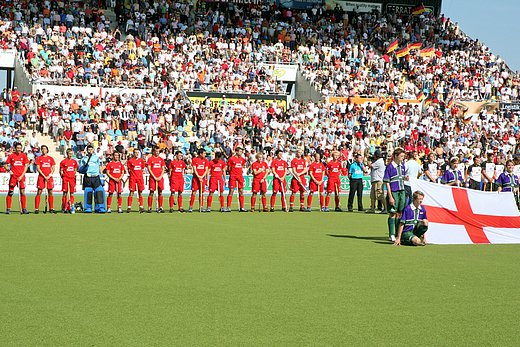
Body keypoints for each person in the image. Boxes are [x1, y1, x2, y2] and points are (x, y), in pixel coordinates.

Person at [384, 148, 407, 242]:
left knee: (400, 213)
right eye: (401, 156)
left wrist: (405, 178)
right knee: (392, 213)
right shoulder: (389, 167)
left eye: (403, 156)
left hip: (402, 191)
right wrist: (390, 196)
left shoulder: (402, 166)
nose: (402, 158)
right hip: (394, 192)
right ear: (396, 156)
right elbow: (387, 182)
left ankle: (398, 234)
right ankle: (391, 234)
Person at [79, 144, 106, 213]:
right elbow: (80, 170)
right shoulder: (84, 159)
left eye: (91, 149)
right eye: (89, 150)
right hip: (88, 177)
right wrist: (84, 167)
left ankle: (100, 208)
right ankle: (88, 208)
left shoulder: (96, 158)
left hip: (96, 176)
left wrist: (101, 174)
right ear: (87, 151)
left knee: (99, 191)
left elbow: (100, 166)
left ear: (93, 150)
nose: (90, 151)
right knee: (88, 192)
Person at [5, 142, 29, 214]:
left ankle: (24, 208)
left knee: (22, 192)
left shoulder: (24, 156)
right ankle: (8, 209)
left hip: (21, 177)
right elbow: (5, 165)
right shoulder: (11, 156)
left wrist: (22, 175)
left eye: (20, 148)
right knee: (10, 192)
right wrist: (9, 171)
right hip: (13, 177)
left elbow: (26, 166)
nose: (19, 149)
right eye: (18, 148)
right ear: (15, 148)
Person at [34, 145, 56, 214]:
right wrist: (44, 176)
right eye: (42, 149)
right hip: (41, 177)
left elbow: (53, 168)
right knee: (39, 192)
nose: (43, 150)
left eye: (45, 149)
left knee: (50, 192)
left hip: (49, 177)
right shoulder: (39, 158)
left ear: (47, 150)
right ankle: (36, 208)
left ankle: (51, 208)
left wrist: (49, 176)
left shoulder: (50, 158)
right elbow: (38, 168)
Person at [226, 147, 247, 212]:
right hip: (233, 176)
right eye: (240, 151)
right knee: (231, 191)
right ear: (236, 151)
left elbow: (242, 166)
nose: (241, 153)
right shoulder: (231, 159)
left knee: (241, 191)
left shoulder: (242, 159)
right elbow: (229, 168)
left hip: (240, 176)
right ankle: (228, 207)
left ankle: (242, 207)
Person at [146, 146, 166, 213]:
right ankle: (150, 207)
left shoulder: (161, 159)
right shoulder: (150, 159)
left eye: (158, 151)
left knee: (160, 192)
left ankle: (160, 207)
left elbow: (163, 168)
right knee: (151, 192)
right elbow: (149, 168)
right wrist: (154, 176)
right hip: (152, 178)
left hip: (160, 178)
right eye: (156, 151)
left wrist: (160, 176)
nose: (157, 153)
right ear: (153, 151)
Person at [190, 148, 209, 212]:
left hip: (202, 178)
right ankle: (191, 207)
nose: (205, 154)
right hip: (196, 178)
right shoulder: (195, 159)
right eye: (204, 153)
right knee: (194, 192)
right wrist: (198, 176)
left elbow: (206, 170)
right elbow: (194, 169)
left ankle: (201, 206)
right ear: (200, 154)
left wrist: (202, 176)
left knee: (202, 193)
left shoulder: (206, 160)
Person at [59, 148, 78, 213]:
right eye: (69, 153)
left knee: (72, 193)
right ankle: (64, 207)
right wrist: (63, 177)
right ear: (67, 154)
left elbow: (75, 169)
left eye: (71, 153)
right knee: (65, 193)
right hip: (66, 179)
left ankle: (71, 206)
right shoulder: (63, 162)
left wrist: (73, 174)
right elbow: (61, 171)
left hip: (72, 179)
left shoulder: (74, 162)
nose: (70, 155)